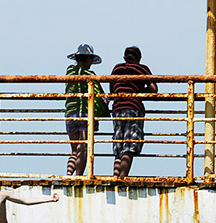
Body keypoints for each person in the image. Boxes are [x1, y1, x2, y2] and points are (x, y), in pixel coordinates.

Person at [109, 46, 157, 178]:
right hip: (133, 107)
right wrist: (139, 93)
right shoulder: (142, 69)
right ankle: (122, 177)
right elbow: (153, 89)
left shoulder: (117, 68)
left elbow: (112, 89)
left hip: (118, 107)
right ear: (139, 58)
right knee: (130, 146)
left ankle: (115, 176)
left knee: (119, 146)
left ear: (124, 57)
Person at [65, 44, 108, 176]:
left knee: (74, 150)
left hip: (70, 113)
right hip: (84, 113)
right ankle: (78, 176)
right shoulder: (90, 75)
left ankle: (68, 174)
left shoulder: (69, 71)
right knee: (83, 148)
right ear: (88, 59)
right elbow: (102, 94)